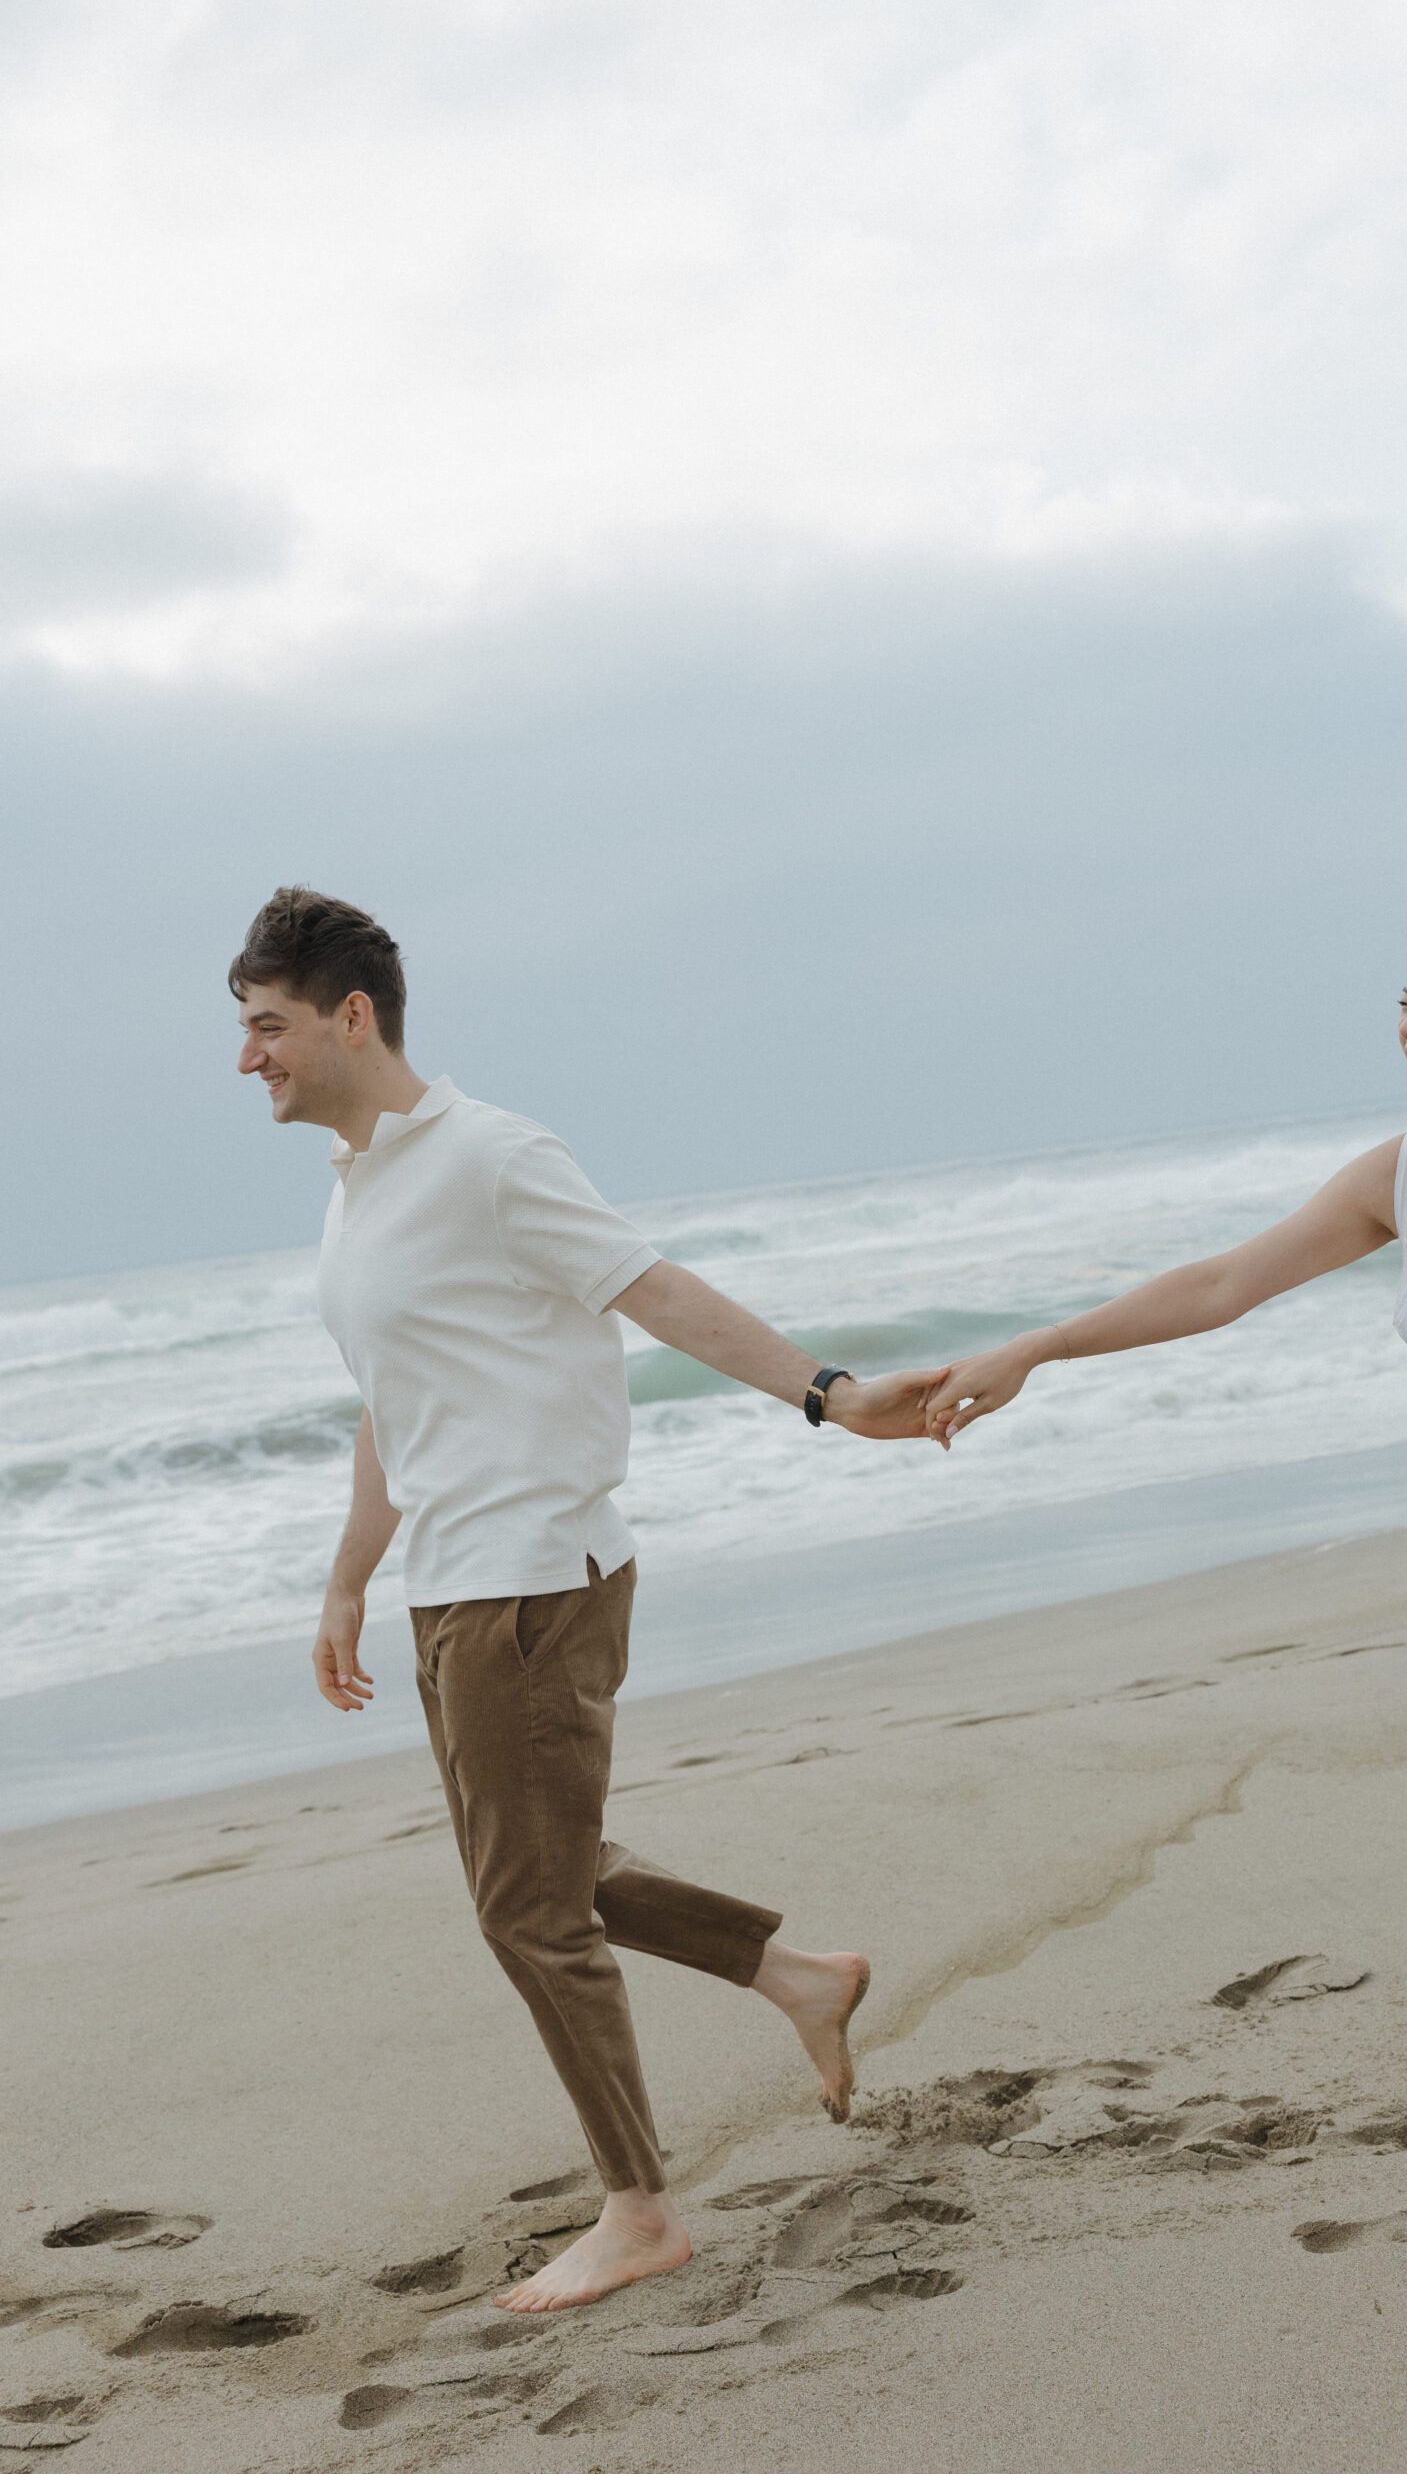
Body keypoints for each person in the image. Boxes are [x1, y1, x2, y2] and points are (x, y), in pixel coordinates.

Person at [920, 905, 1407, 2294]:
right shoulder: (1403, 1176)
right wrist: (1042, 1343)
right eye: (1396, 1001)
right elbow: (1227, 1281)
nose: (1403, 1024)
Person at [231, 886, 943, 2312]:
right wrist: (348, 1579)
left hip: (534, 1578)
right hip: (450, 1582)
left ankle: (640, 2209)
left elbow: (658, 1292)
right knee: (539, 1875)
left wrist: (832, 1394)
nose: (250, 1058)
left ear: (349, 1017)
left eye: (268, 1028)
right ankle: (797, 1977)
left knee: (526, 1909)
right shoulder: (356, 1186)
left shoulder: (492, 1157)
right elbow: (395, 1401)